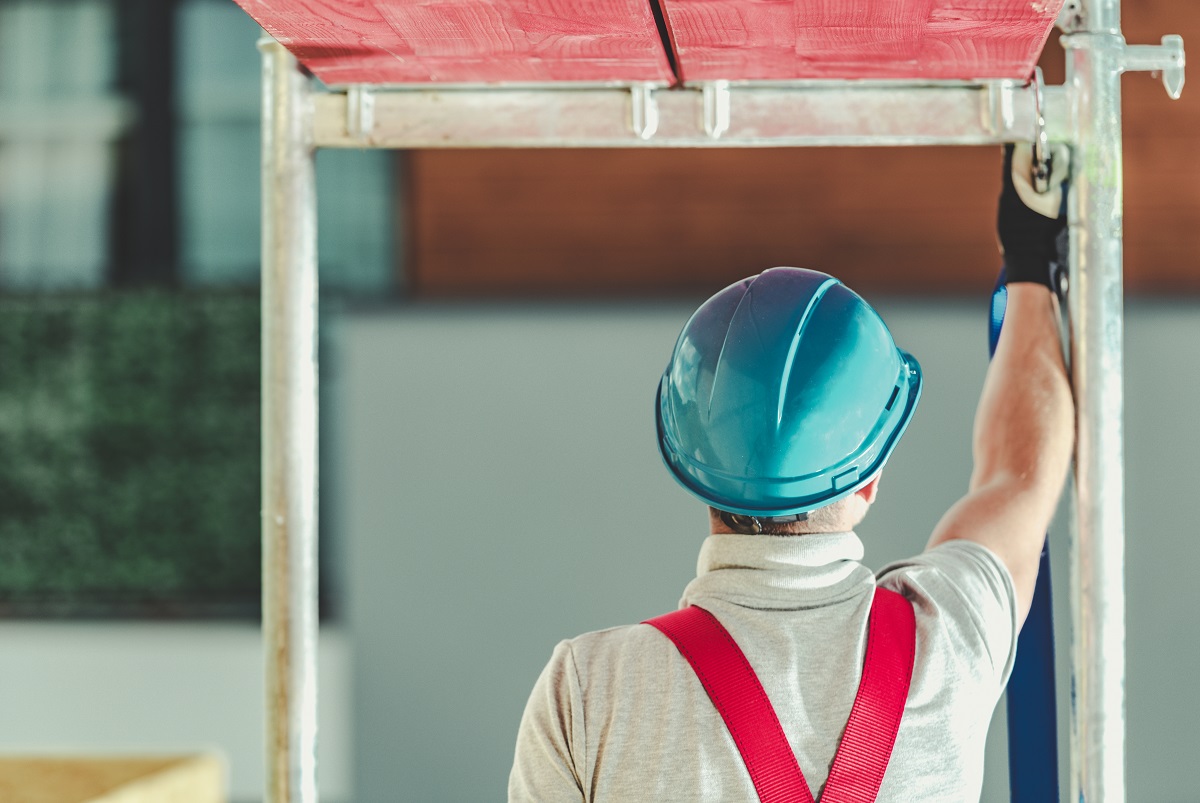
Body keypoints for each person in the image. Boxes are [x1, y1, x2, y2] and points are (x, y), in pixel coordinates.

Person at [509, 145, 1075, 802]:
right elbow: (1020, 473)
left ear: (693, 466)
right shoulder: (946, 641)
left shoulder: (588, 691)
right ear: (866, 479)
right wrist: (1031, 255)